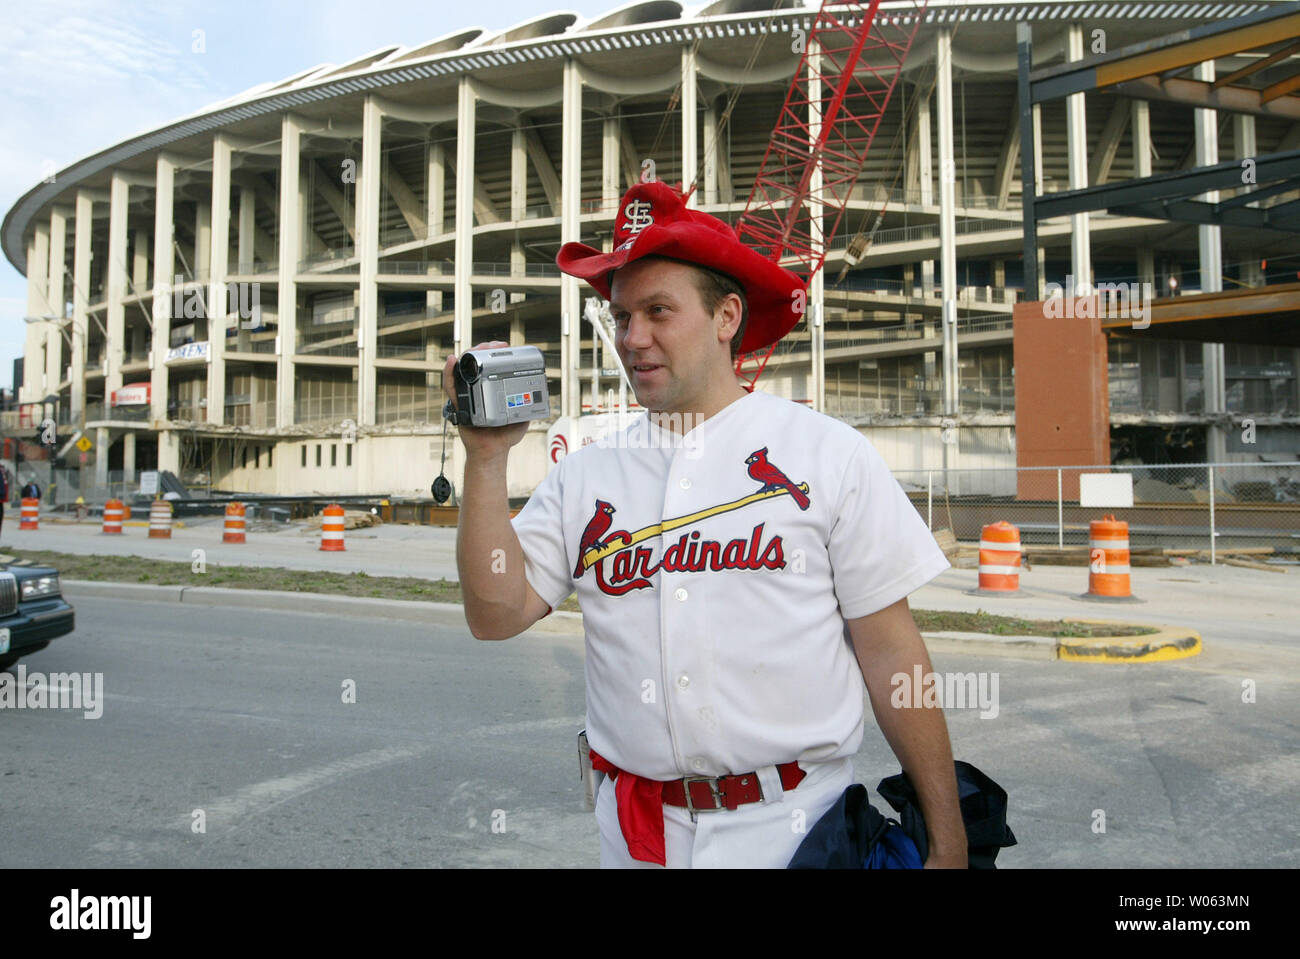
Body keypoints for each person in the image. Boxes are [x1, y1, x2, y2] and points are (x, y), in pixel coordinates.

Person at [448, 180, 967, 869]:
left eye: (658, 311)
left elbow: (892, 652)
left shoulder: (827, 454)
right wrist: (485, 461)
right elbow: (496, 612)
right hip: (639, 838)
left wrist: (949, 837)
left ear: (726, 316)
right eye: (622, 315)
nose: (633, 337)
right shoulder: (587, 474)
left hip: (797, 830)